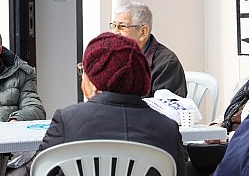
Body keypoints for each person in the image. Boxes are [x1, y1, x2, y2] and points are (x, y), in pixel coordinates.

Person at [39, 32, 188, 176]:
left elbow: (38, 169)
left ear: (96, 79)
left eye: (83, 70)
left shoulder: (67, 121)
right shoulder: (167, 128)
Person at [186, 31, 249, 175]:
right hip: (224, 142)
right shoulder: (245, 83)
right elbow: (225, 114)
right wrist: (214, 127)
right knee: (186, 161)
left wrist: (224, 136)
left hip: (239, 147)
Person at [111, 1, 187, 97]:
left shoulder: (167, 64)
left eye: (122, 26)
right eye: (113, 25)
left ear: (143, 31)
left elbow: (167, 109)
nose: (115, 32)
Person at [213, 103, 249, 175]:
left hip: (234, 144)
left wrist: (227, 137)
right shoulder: (244, 93)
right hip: (234, 143)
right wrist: (215, 125)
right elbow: (227, 112)